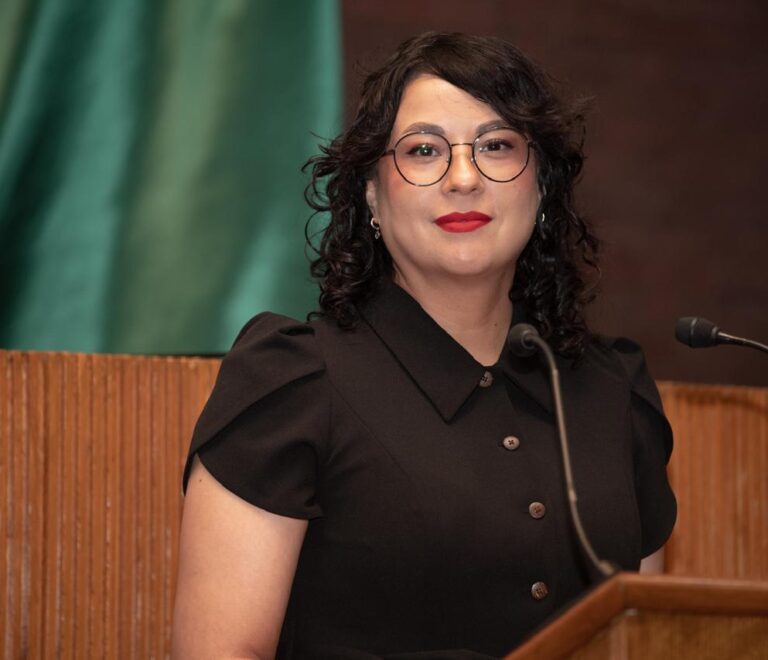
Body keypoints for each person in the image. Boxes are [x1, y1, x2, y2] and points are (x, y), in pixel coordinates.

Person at [172, 32, 676, 659]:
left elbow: (647, 640)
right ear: (371, 193)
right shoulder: (293, 383)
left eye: (496, 145)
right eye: (423, 150)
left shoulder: (613, 391)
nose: (463, 179)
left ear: (541, 185)